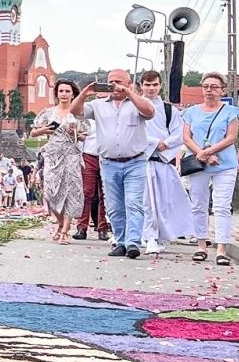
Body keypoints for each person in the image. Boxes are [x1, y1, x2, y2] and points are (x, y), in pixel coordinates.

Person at [69, 68, 156, 259]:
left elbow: (149, 112)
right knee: (115, 206)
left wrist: (130, 94)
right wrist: (86, 92)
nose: (114, 85)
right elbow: (75, 111)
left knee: (133, 203)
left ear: (129, 83)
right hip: (109, 163)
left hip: (135, 161)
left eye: (119, 81)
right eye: (111, 81)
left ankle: (133, 242)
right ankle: (120, 241)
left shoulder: (137, 102)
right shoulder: (99, 105)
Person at [183, 72, 239, 266]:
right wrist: (202, 154)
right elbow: (186, 137)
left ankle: (222, 248)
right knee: (198, 204)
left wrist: (210, 152)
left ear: (222, 90)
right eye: (206, 86)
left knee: (221, 205)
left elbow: (231, 137)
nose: (209, 90)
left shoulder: (230, 112)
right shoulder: (191, 112)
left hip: (224, 164)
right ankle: (201, 244)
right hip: (199, 164)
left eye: (214, 87)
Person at [137, 69, 193, 257]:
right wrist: (153, 142)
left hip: (161, 160)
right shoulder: (134, 105)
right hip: (141, 160)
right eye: (147, 85)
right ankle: (148, 236)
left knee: (164, 201)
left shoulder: (169, 110)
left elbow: (180, 132)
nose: (151, 88)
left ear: (160, 86)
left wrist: (166, 144)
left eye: (154, 85)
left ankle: (161, 235)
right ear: (141, 86)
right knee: (146, 202)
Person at [32, 80, 84, 242]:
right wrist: (44, 130)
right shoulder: (48, 113)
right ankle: (61, 223)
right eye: (61, 91)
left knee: (70, 192)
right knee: (50, 191)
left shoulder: (78, 113)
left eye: (67, 91)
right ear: (56, 94)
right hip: (53, 154)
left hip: (71, 154)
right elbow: (33, 133)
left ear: (73, 94)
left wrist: (75, 132)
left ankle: (65, 231)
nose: (64, 94)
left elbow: (85, 136)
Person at [73, 103, 112, 242]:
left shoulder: (111, 118)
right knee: (87, 192)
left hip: (107, 156)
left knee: (104, 195)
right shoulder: (87, 120)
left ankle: (102, 228)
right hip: (89, 156)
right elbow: (77, 134)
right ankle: (81, 227)